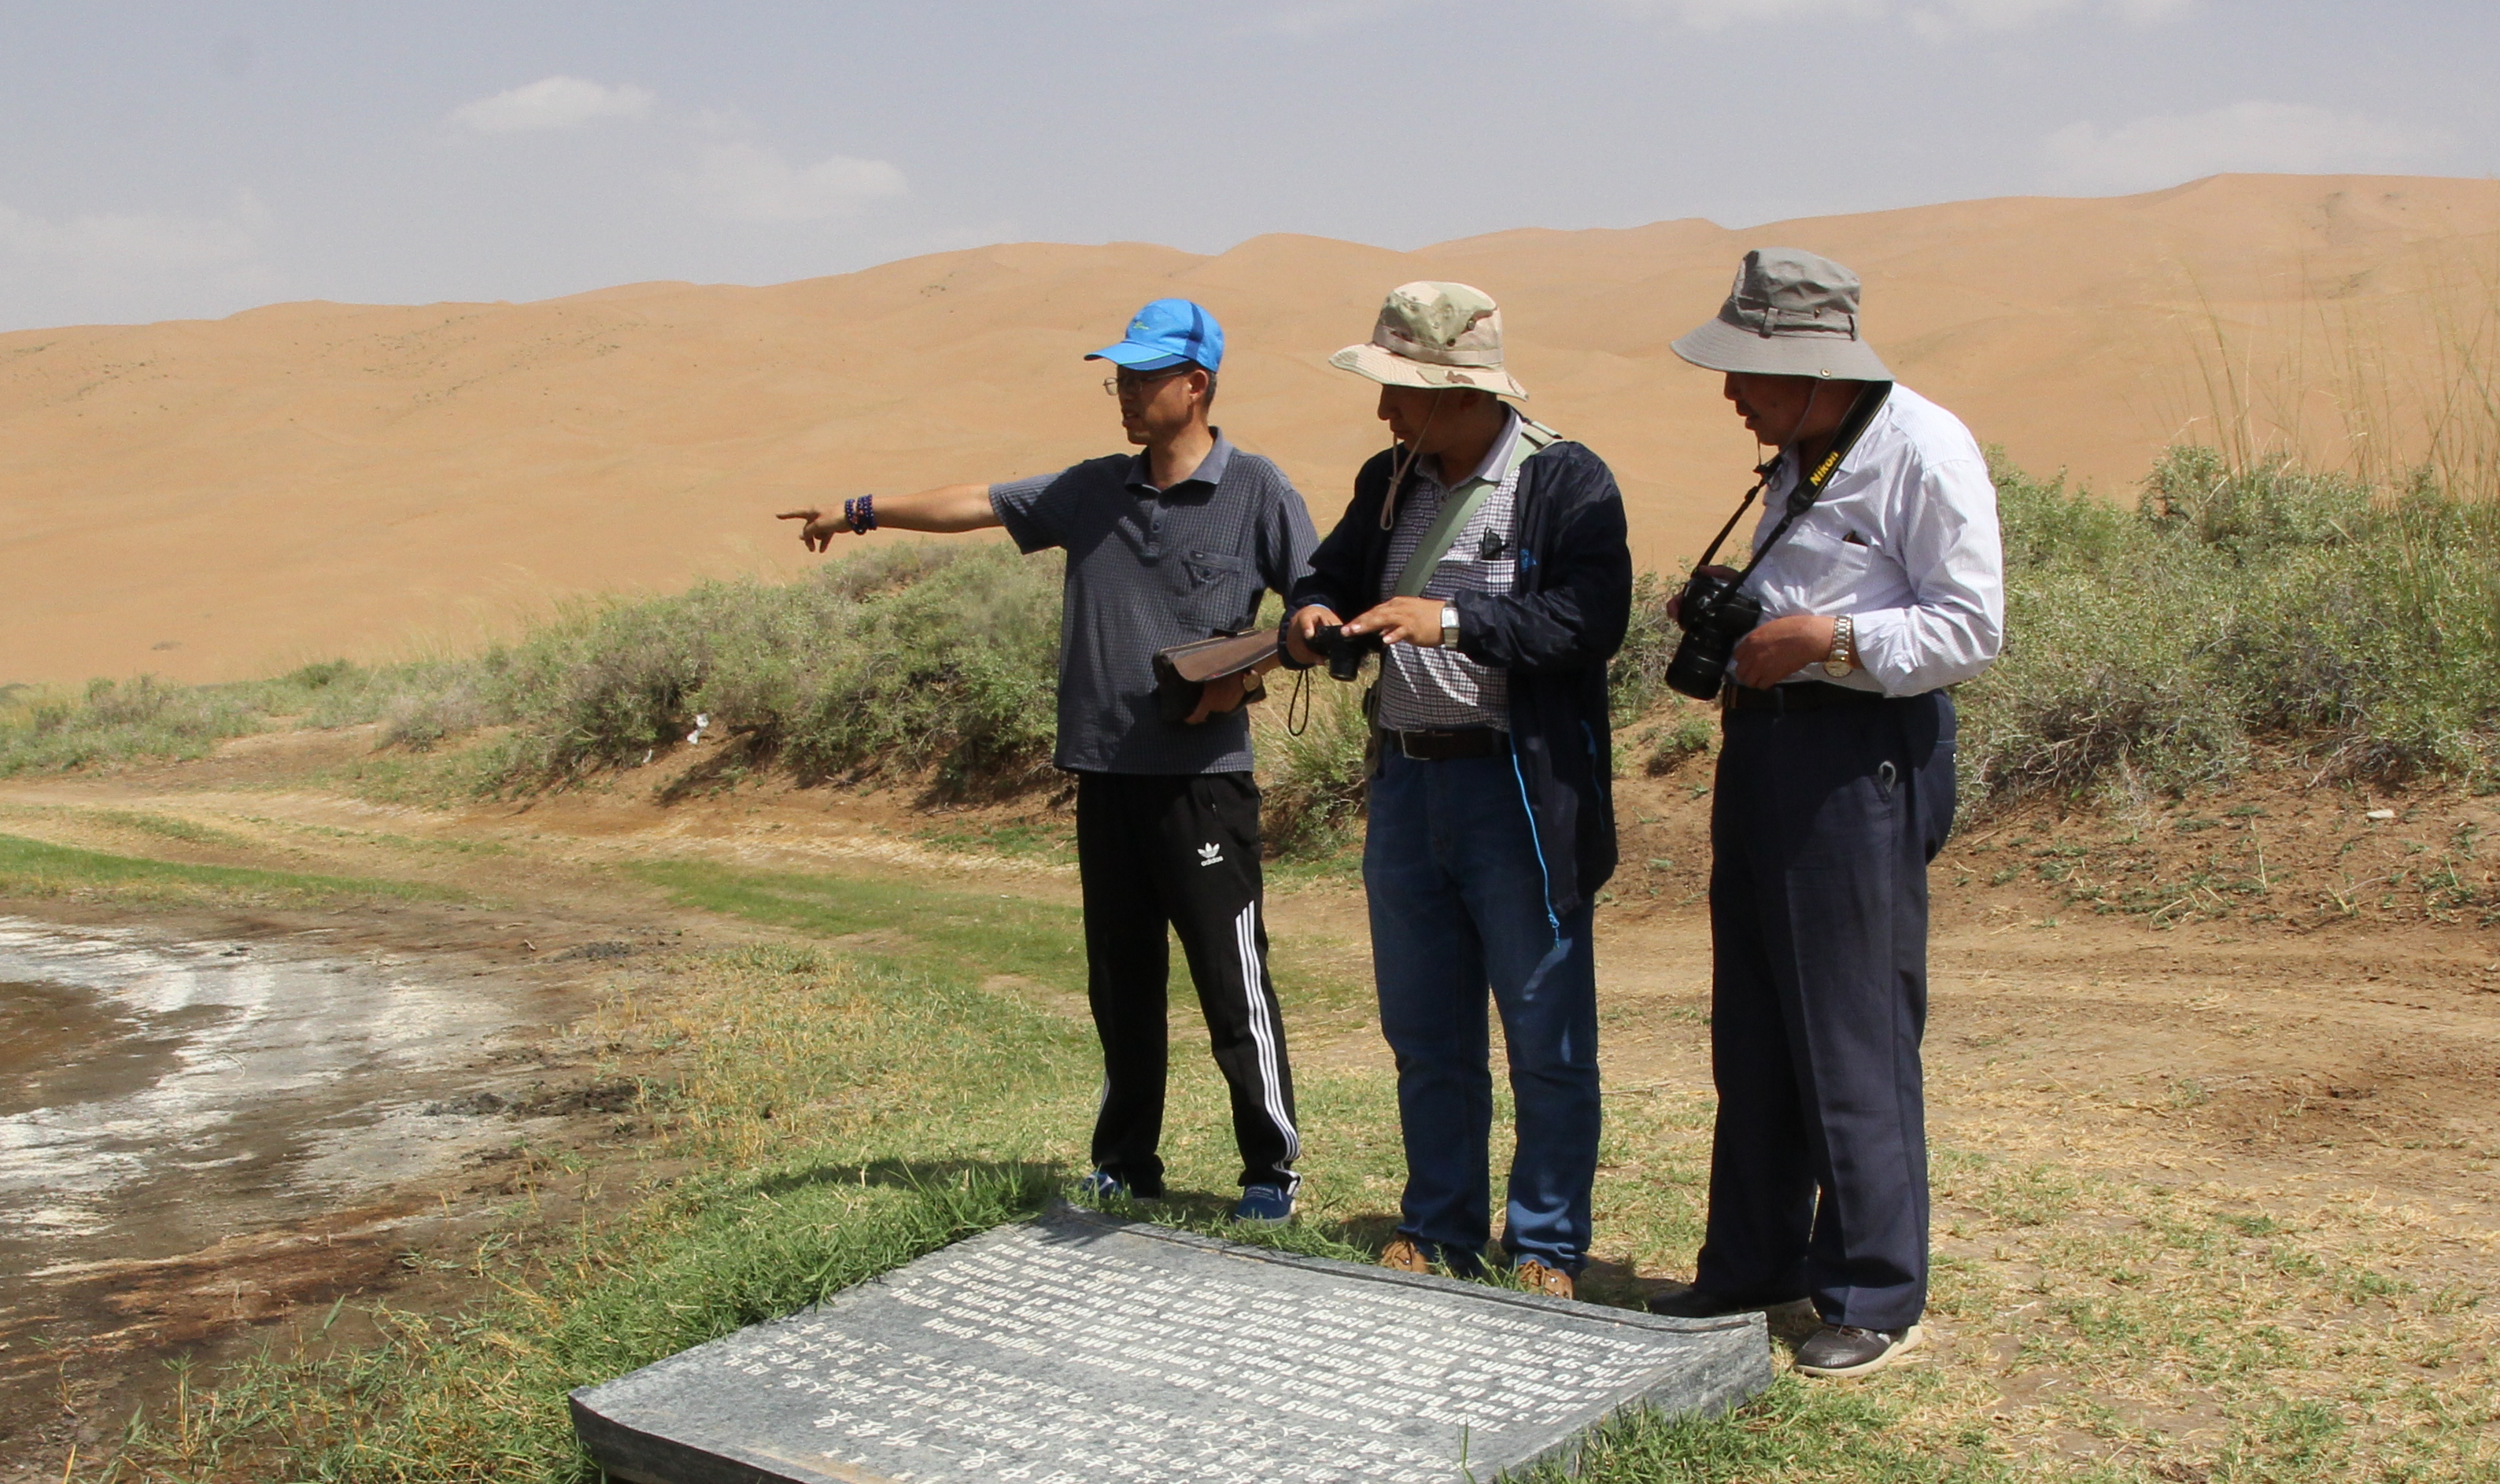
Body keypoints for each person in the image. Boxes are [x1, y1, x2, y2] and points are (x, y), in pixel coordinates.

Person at [780, 298, 1314, 1220]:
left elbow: (1316, 612)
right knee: (1121, 985)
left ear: (1198, 384)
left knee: (1233, 984)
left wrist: (1247, 671)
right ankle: (1125, 1163)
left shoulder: (1258, 491)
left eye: (1145, 377)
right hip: (1105, 777)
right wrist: (859, 512)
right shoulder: (1092, 488)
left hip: (1203, 786)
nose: (1127, 393)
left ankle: (1271, 1173)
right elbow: (977, 503)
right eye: (1121, 377)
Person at [1653, 249, 2003, 1375]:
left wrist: (1831, 641)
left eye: (1747, 368)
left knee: (1850, 1027)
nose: (1729, 393)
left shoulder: (1924, 450)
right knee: (1755, 1026)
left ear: (1812, 367)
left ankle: (1873, 1293)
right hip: (1765, 754)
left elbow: (1969, 629)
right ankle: (1753, 1266)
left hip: (1862, 763)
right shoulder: (1797, 459)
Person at [1281, 282, 1631, 1297]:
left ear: (1457, 391)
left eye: (1400, 389)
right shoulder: (1388, 477)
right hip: (1407, 788)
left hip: (1515, 794)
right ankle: (1438, 1225)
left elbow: (1588, 623)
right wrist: (1311, 615)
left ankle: (1546, 1245)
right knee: (1426, 1032)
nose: (1385, 410)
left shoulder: (1567, 482)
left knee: (1545, 1034)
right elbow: (1332, 573)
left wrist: (1457, 622)